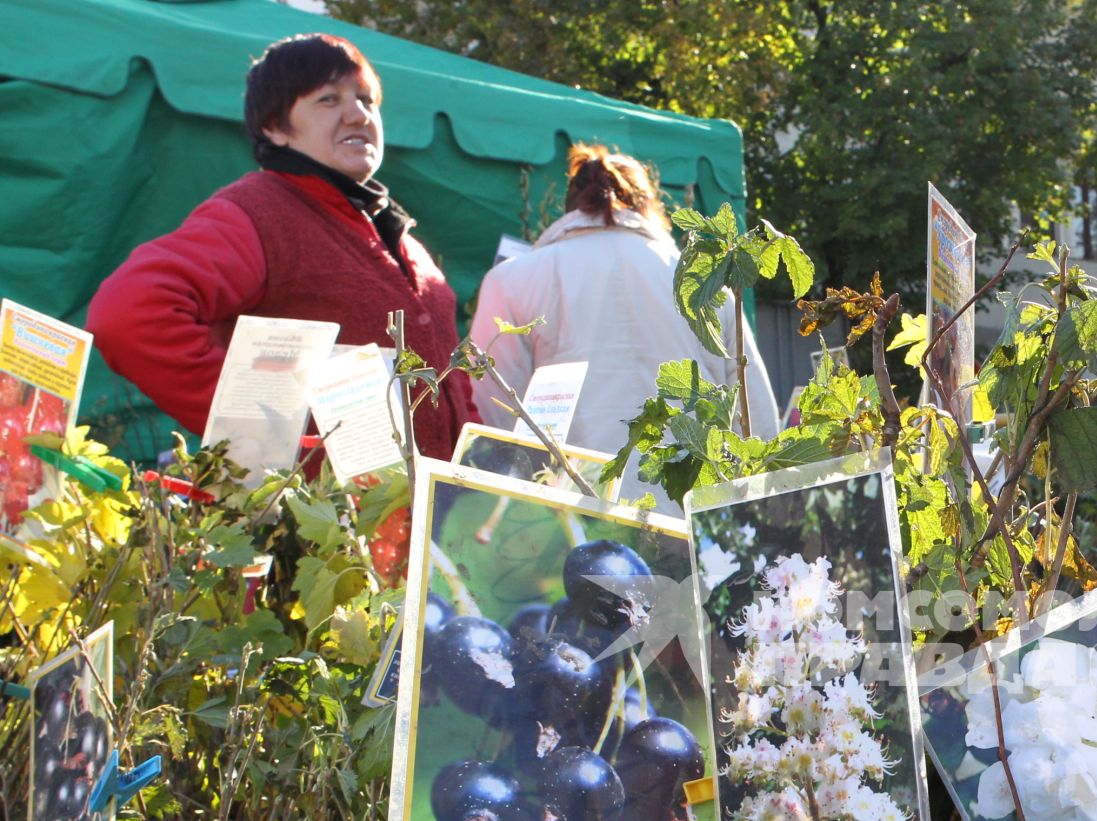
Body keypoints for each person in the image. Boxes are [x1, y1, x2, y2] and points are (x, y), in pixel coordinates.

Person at [89, 33, 474, 460]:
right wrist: (264, 436)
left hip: (437, 518)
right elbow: (128, 313)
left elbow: (452, 384)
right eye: (328, 100)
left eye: (366, 99)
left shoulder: (401, 239)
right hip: (322, 520)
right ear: (275, 127)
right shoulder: (258, 212)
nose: (357, 114)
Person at [467, 144, 779, 512]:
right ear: (647, 204)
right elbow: (756, 419)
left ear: (571, 207)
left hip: (576, 518)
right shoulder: (705, 282)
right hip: (693, 517)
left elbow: (498, 414)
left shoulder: (512, 280)